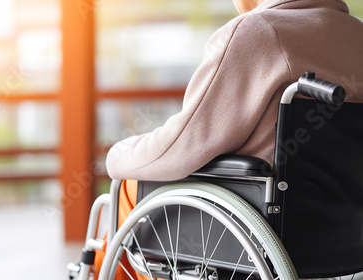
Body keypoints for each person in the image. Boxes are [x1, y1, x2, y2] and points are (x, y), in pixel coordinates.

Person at [94, 0, 363, 279]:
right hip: (341, 237)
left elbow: (180, 148)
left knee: (128, 184)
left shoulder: (259, 31)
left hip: (260, 227)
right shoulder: (357, 35)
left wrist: (118, 153)